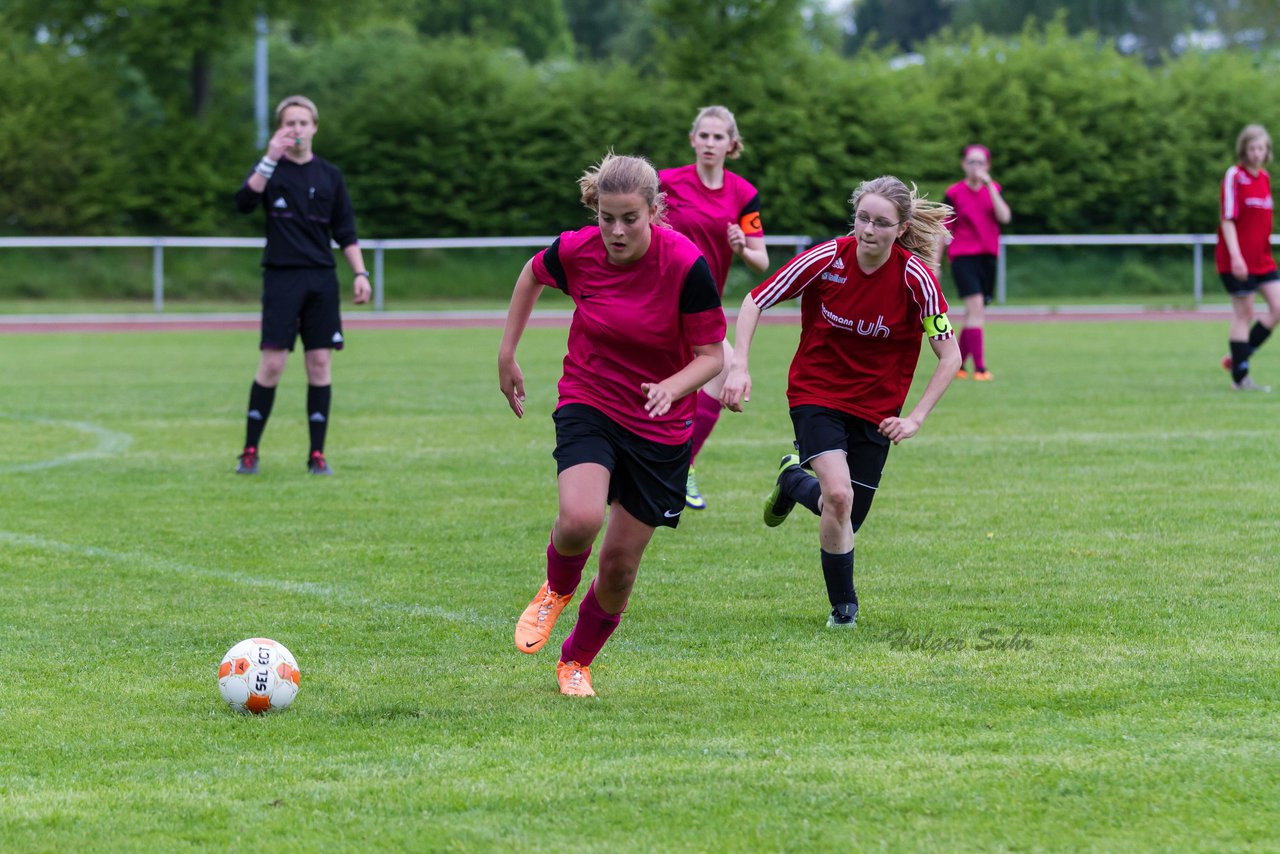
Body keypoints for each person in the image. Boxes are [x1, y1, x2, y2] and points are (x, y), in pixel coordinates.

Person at [499, 153, 726, 697]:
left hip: (660, 425)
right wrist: (507, 353)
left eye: (630, 218)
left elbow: (712, 356)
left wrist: (673, 387)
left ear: (655, 211)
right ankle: (556, 589)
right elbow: (532, 274)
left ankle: (576, 661)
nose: (617, 231)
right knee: (578, 518)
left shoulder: (685, 265)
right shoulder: (578, 249)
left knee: (620, 567)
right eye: (607, 217)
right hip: (591, 398)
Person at [720, 176, 960, 628]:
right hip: (817, 394)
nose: (868, 230)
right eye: (862, 218)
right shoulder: (827, 258)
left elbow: (951, 355)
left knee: (848, 515)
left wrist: (916, 418)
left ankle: (792, 480)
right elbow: (754, 300)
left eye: (881, 223)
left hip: (877, 410)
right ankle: (844, 610)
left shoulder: (917, 279)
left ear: (902, 228)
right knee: (838, 494)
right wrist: (740, 365)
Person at [233, 94, 370, 475]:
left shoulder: (330, 175)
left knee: (320, 363)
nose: (296, 129)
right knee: (273, 364)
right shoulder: (270, 169)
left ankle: (317, 455)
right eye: (289, 123)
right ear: (280, 129)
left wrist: (360, 273)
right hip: (280, 277)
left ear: (314, 127)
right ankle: (249, 451)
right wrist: (269, 157)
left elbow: (346, 231)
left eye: (302, 123)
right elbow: (243, 202)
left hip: (321, 280)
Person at [659, 105, 769, 510]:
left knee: (719, 383)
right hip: (660, 300)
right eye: (703, 135)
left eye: (718, 136)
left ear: (731, 144)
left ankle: (677, 468)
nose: (709, 143)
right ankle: (668, 471)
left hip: (703, 306)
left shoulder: (742, 193)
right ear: (692, 140)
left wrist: (742, 246)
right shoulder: (665, 183)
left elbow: (762, 260)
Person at [1217, 124, 1279, 392]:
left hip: (1262, 259)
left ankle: (1238, 357)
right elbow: (1228, 220)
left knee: (1278, 308)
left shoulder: (1263, 178)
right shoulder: (1235, 176)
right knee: (1245, 313)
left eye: (1261, 148)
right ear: (1244, 149)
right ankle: (1240, 379)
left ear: (1267, 151)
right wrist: (1236, 256)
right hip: (1237, 260)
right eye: (1252, 148)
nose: (1256, 153)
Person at [943, 144, 1011, 381]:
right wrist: (935, 262)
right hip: (963, 256)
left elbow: (1004, 217)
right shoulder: (954, 193)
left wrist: (990, 185)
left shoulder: (994, 189)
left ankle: (958, 366)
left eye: (980, 162)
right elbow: (944, 230)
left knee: (975, 311)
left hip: (987, 257)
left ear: (987, 166)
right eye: (971, 162)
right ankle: (980, 368)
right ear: (963, 164)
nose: (976, 167)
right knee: (976, 308)